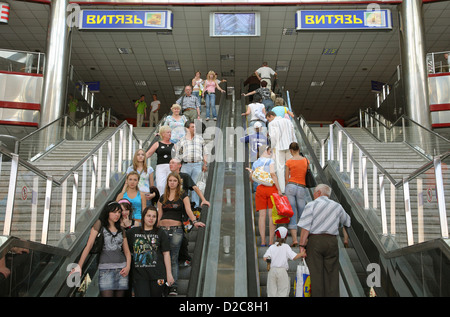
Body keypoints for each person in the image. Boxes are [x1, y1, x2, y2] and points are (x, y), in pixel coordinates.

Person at [297, 184, 351, 297]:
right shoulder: (337, 206)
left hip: (315, 241)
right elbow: (347, 221)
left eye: (315, 193)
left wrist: (302, 245)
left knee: (315, 273)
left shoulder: (312, 205)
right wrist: (345, 237)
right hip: (332, 241)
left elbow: (305, 227)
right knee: (332, 274)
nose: (314, 195)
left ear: (318, 193)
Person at [157, 172, 206, 296]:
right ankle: (162, 285)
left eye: (174, 181)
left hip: (176, 230)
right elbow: (159, 215)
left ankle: (173, 286)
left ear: (178, 183)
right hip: (162, 230)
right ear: (167, 182)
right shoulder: (162, 197)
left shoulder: (183, 195)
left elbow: (189, 210)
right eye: (170, 181)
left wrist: (195, 222)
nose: (172, 183)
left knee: (173, 258)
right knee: (161, 258)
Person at [72, 201, 131, 297]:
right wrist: (79, 265)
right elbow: (89, 245)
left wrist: (128, 266)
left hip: (122, 269)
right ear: (107, 212)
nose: (117, 215)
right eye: (114, 212)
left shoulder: (121, 229)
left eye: (119, 212)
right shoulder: (99, 224)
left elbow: (127, 252)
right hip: (105, 269)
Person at [169, 158, 210, 267]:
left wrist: (203, 199)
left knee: (182, 236)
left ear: (179, 165)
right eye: (170, 163)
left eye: (173, 163)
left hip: (183, 211)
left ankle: (184, 258)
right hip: (170, 210)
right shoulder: (169, 178)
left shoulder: (185, 176)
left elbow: (195, 188)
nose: (170, 164)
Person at [126, 206, 174, 297]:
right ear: (143, 216)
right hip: (139, 275)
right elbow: (124, 248)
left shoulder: (160, 233)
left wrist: (169, 274)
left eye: (154, 216)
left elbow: (166, 254)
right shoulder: (132, 232)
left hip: (158, 274)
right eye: (148, 216)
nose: (151, 218)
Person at [246, 145, 282, 246]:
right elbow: (273, 175)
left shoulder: (256, 163)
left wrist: (251, 172)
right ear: (266, 151)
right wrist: (279, 189)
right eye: (269, 151)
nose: (270, 153)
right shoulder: (270, 161)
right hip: (271, 188)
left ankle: (262, 241)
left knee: (262, 216)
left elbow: (252, 179)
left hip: (260, 189)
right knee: (271, 216)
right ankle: (270, 241)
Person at [174, 121, 208, 208]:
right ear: (187, 129)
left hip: (197, 165)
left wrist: (205, 164)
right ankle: (185, 205)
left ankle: (195, 205)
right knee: (184, 186)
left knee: (195, 186)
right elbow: (178, 155)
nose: (195, 128)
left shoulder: (200, 139)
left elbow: (205, 152)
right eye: (192, 127)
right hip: (185, 165)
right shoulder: (182, 140)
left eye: (195, 127)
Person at [263, 226, 305, 297]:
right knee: (283, 291)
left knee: (271, 292)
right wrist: (301, 254)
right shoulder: (286, 247)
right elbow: (294, 257)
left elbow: (265, 258)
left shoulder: (272, 247)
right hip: (282, 271)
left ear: (276, 236)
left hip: (272, 271)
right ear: (285, 237)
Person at [266, 110, 297, 193]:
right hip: (290, 146)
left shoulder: (272, 124)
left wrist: (272, 148)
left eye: (268, 119)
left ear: (270, 116)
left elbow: (273, 137)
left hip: (279, 147)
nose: (269, 121)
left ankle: (283, 189)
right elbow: (293, 133)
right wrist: (295, 145)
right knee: (290, 167)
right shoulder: (287, 121)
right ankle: (292, 187)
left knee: (280, 168)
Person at [284, 142, 308, 247]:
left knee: (292, 212)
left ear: (291, 151)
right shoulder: (306, 161)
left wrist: (286, 189)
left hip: (291, 186)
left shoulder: (289, 161)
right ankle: (303, 239)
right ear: (299, 149)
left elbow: (286, 177)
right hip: (301, 187)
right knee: (302, 212)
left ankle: (294, 240)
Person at [146, 125, 175, 196]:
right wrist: (139, 160)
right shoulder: (157, 144)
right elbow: (148, 153)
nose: (170, 134)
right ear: (163, 134)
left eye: (170, 132)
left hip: (171, 167)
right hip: (160, 166)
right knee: (160, 186)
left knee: (170, 186)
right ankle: (160, 203)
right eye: (168, 132)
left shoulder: (174, 145)